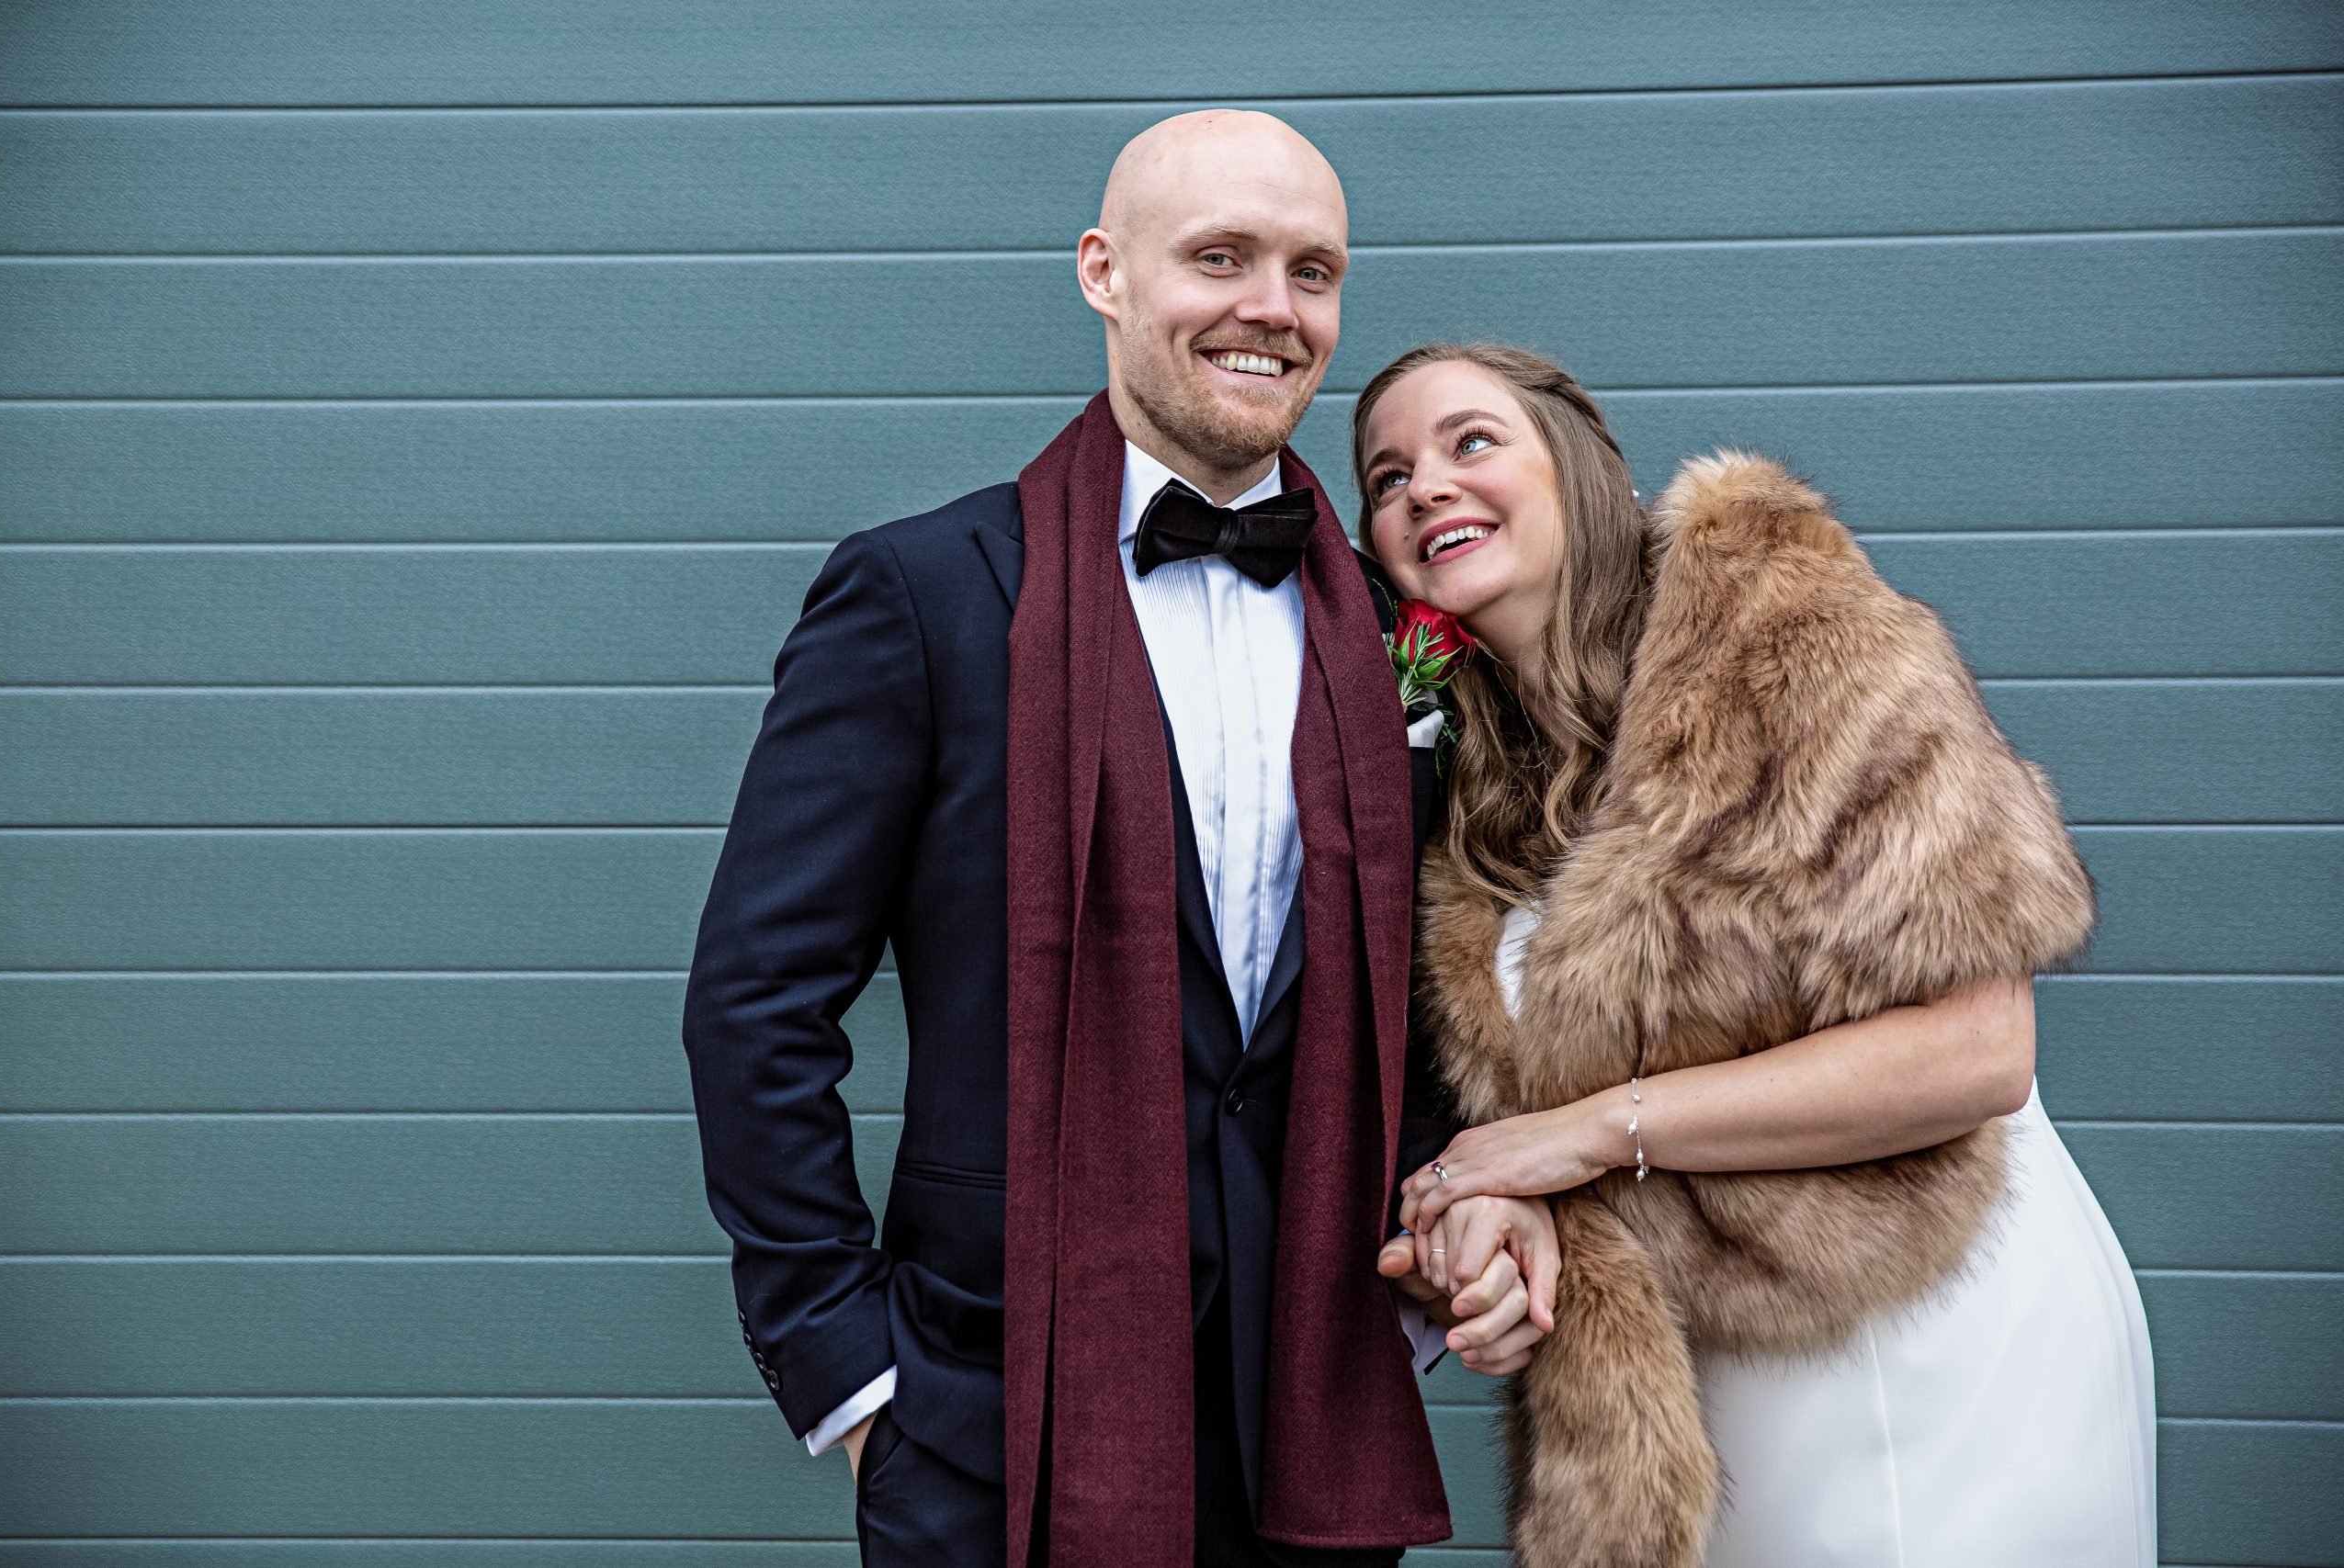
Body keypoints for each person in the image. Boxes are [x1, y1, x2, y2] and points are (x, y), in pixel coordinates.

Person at [682, 118, 1559, 1568]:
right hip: (989, 1412)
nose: (1271, 307)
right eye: (1218, 258)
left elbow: (1436, 1001)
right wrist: (852, 1376)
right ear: (1102, 271)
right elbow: (756, 1003)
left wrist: (1438, 1253)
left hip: (1320, 1407)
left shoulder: (1404, 626)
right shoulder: (921, 594)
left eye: (1312, 271)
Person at [1353, 343, 2157, 1568]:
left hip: (1933, 1339)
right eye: (1387, 473)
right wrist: (1482, 1224)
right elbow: (1501, 1131)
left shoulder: (1794, 636)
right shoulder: (1460, 807)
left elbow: (1980, 1049)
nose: (1425, 487)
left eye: (1471, 442)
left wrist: (1575, 1135)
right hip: (1703, 1404)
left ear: (1578, 467)